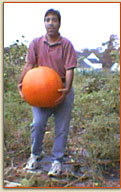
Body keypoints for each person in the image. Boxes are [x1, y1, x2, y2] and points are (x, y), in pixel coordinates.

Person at [17, 8, 77, 176]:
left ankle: (57, 160)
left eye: (54, 20)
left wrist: (66, 91)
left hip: (61, 90)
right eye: (48, 20)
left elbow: (69, 68)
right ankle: (35, 155)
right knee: (37, 124)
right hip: (40, 90)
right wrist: (20, 83)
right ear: (44, 23)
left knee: (61, 128)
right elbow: (29, 65)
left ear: (59, 23)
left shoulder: (66, 44)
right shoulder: (36, 43)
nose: (51, 23)